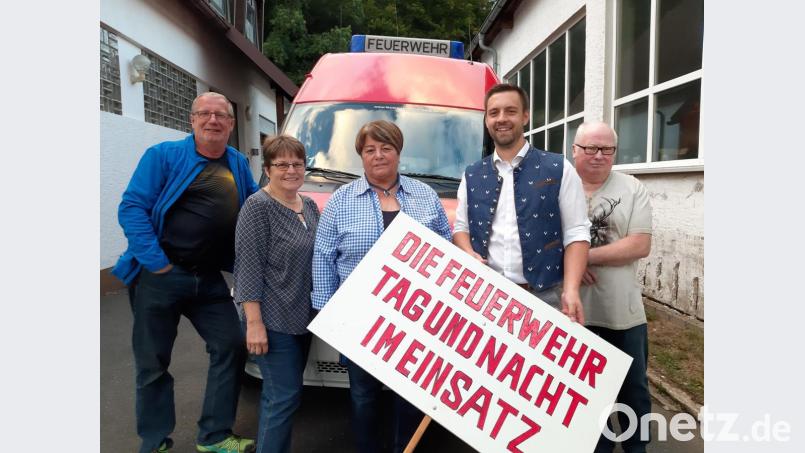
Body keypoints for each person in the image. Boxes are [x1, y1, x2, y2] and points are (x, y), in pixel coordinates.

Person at [113, 92, 258, 453]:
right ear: (192, 120)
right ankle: (154, 441)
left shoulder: (237, 163)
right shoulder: (164, 156)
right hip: (161, 276)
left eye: (220, 115)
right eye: (205, 114)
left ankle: (215, 436)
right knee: (153, 362)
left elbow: (256, 207)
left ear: (231, 123)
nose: (213, 120)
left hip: (209, 278)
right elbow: (132, 207)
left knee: (230, 345)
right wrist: (155, 261)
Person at [312, 120, 451, 453]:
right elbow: (323, 257)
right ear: (361, 156)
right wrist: (327, 314)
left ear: (398, 152)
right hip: (358, 320)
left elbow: (446, 249)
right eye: (370, 149)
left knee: (412, 394)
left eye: (386, 148)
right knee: (363, 394)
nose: (378, 156)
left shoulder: (425, 196)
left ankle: (406, 447)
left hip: (417, 319)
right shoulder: (341, 201)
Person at [453, 83, 591, 323]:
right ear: (486, 120)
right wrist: (468, 252)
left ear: (525, 116)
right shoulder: (472, 173)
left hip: (544, 296)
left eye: (511, 111)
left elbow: (576, 231)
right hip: (485, 296)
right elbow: (461, 228)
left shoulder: (558, 168)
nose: (502, 119)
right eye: (494, 113)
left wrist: (571, 289)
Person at [234, 135, 319, 453]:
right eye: (282, 164)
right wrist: (254, 323)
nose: (291, 170)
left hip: (301, 316)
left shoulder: (308, 205)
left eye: (297, 163)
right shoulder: (257, 207)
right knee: (284, 396)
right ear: (268, 169)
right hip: (270, 319)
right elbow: (247, 268)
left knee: (279, 396)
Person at [572, 121, 653, 453]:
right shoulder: (559, 187)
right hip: (574, 313)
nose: (598, 156)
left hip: (624, 314)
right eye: (590, 148)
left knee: (634, 391)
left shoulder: (633, 189)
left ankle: (638, 448)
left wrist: (584, 257)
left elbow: (638, 245)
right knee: (587, 396)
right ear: (574, 150)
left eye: (606, 149)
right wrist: (572, 263)